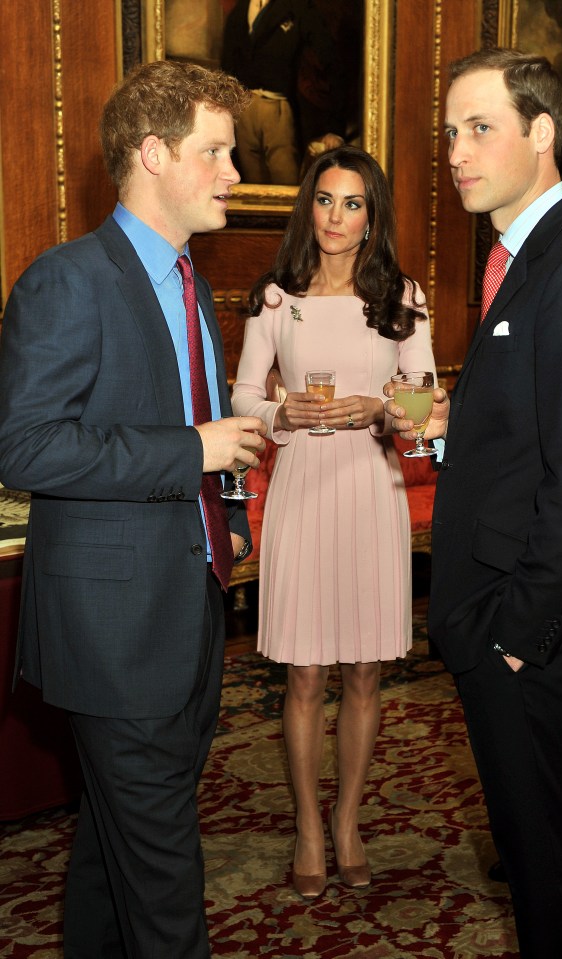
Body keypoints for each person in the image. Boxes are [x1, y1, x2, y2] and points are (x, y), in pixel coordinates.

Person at [0, 59, 267, 958]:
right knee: (164, 881)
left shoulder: (190, 283)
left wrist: (222, 513)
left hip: (186, 605)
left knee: (116, 849)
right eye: (217, 151)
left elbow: (196, 412)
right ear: (153, 154)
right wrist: (193, 452)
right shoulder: (67, 280)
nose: (234, 172)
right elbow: (26, 445)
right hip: (112, 627)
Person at [387, 49, 562, 959]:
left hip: (536, 639)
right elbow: (537, 446)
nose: (456, 150)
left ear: (542, 133)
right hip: (511, 624)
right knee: (546, 876)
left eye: (479, 127)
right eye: (450, 131)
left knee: (560, 889)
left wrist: (515, 635)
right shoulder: (524, 259)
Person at [231, 144, 438, 899]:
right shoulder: (274, 299)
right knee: (306, 672)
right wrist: (284, 408)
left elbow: (423, 404)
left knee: (362, 671)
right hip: (305, 489)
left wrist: (381, 408)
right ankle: (308, 828)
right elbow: (245, 397)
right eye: (325, 200)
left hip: (369, 487)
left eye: (353, 204)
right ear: (307, 206)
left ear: (373, 214)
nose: (337, 217)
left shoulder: (401, 296)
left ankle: (348, 820)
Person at [221, 0, 345, 184]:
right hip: (243, 114)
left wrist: (333, 128)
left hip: (278, 110)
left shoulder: (297, 8)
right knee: (252, 190)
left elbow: (331, 63)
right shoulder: (239, 12)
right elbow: (226, 68)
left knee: (285, 184)